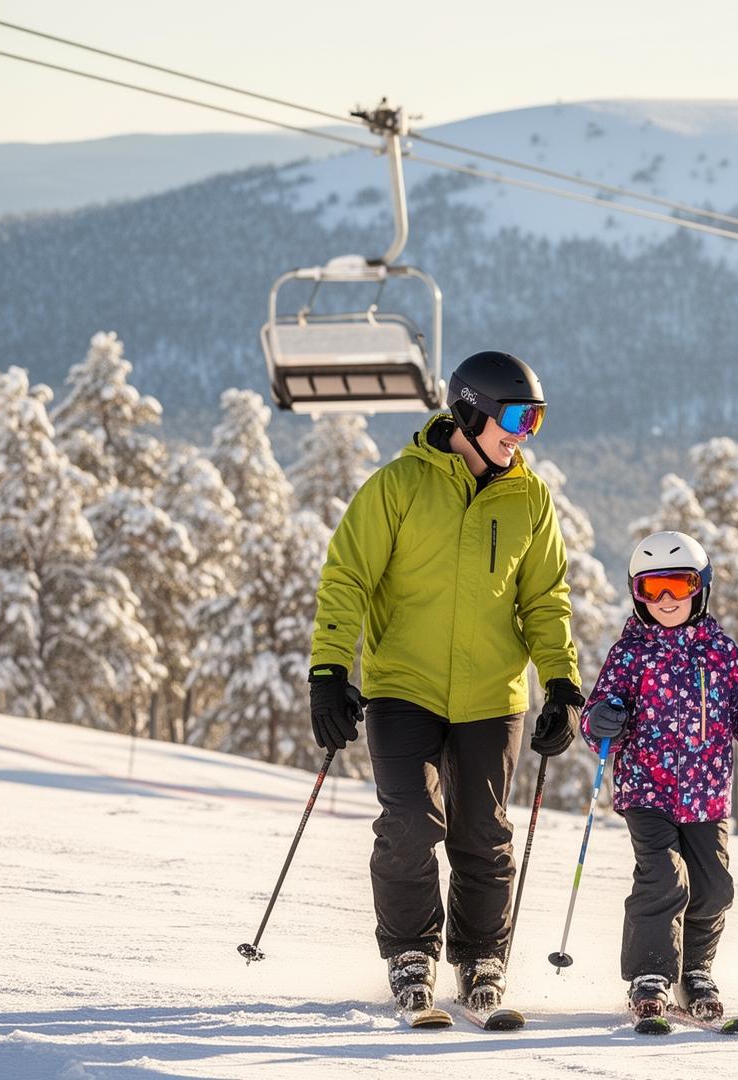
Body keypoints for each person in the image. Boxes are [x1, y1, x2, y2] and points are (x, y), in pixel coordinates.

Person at [306, 350, 585, 1021]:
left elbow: (545, 598)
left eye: (536, 420)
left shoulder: (529, 498)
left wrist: (562, 685)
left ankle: (481, 957)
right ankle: (411, 952)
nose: (524, 434)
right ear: (469, 410)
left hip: (493, 695)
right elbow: (347, 577)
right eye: (515, 418)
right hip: (405, 687)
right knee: (409, 822)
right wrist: (330, 671)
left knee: (483, 833)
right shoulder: (398, 486)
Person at [581, 530, 738, 1026]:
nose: (666, 599)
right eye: (652, 588)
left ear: (701, 588)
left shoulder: (721, 652)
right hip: (646, 791)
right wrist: (603, 720)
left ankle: (695, 971)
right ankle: (650, 974)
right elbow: (598, 714)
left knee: (713, 888)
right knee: (663, 877)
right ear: (637, 594)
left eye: (680, 584)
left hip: (706, 795)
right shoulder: (630, 653)